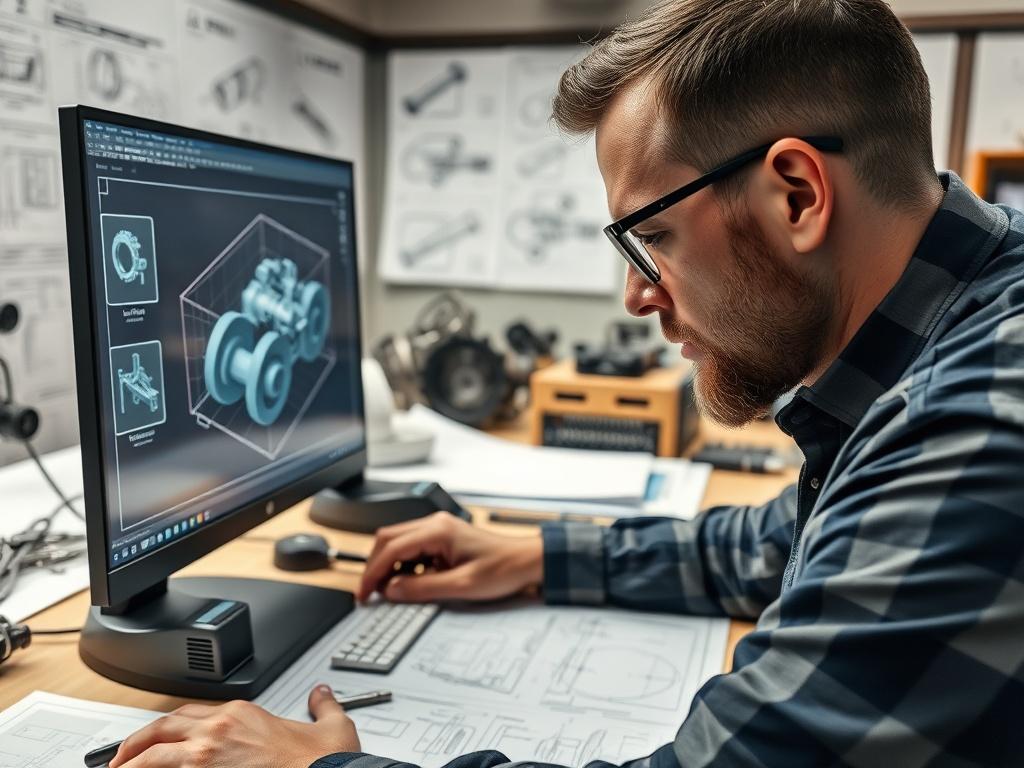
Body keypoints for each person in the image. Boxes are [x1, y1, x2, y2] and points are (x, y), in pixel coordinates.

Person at [109, 0, 1024, 766]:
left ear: (796, 194)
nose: (635, 295)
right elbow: (782, 544)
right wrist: (539, 558)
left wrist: (322, 767)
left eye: (651, 236)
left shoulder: (978, 419)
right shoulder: (947, 346)